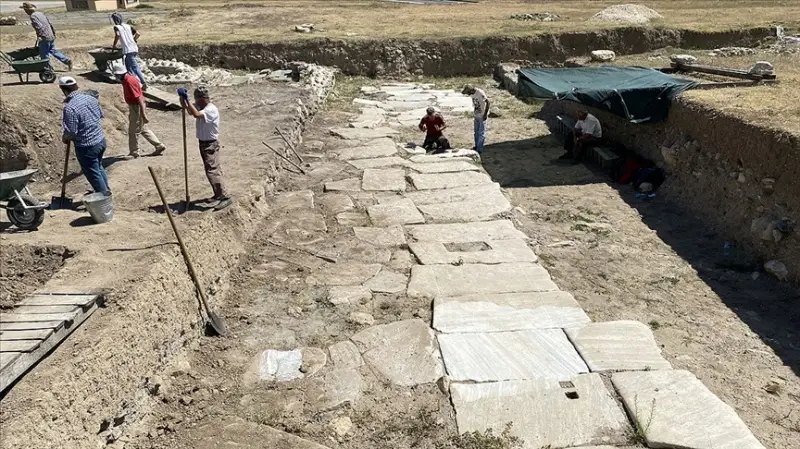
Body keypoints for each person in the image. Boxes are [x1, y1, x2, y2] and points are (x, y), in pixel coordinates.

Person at [178, 86, 232, 211]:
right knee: (210, 170)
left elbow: (196, 115)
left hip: (210, 144)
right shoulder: (201, 107)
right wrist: (183, 99)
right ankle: (218, 194)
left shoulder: (211, 110)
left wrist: (187, 100)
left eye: (196, 99)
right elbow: (190, 111)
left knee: (212, 171)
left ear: (202, 99)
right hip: (203, 143)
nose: (195, 102)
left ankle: (225, 196)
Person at [59, 76, 110, 196]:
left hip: (87, 146)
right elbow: (100, 115)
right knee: (98, 167)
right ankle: (105, 190)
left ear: (63, 89)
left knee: (93, 172)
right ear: (76, 86)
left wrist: (65, 138)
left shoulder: (70, 107)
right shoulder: (91, 98)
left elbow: (71, 132)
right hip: (100, 140)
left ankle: (103, 197)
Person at [112, 64, 165, 158]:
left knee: (133, 131)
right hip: (135, 106)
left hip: (136, 107)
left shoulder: (129, 81)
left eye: (116, 75)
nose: (116, 77)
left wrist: (143, 114)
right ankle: (159, 145)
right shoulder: (128, 79)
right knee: (143, 129)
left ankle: (134, 152)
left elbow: (139, 98)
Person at [21, 2, 72, 71]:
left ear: (27, 10)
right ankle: (66, 60)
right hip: (50, 35)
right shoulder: (40, 14)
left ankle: (48, 69)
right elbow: (50, 23)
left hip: (44, 36)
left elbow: (39, 27)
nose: (25, 12)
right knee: (53, 50)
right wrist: (53, 33)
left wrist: (40, 36)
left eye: (25, 10)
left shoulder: (33, 16)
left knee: (43, 54)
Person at [110, 13, 147, 89]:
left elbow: (117, 35)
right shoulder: (128, 26)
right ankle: (133, 82)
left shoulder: (117, 27)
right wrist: (133, 40)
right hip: (134, 48)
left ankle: (143, 83)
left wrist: (114, 45)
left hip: (128, 50)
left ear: (114, 20)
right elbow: (138, 34)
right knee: (129, 67)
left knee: (135, 67)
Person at [462, 84, 489, 153]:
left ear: (471, 90)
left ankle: (479, 149)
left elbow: (488, 102)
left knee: (481, 133)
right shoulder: (472, 94)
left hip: (482, 115)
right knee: (476, 132)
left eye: (468, 92)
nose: (468, 94)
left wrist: (485, 114)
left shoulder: (480, 93)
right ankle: (477, 146)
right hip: (476, 114)